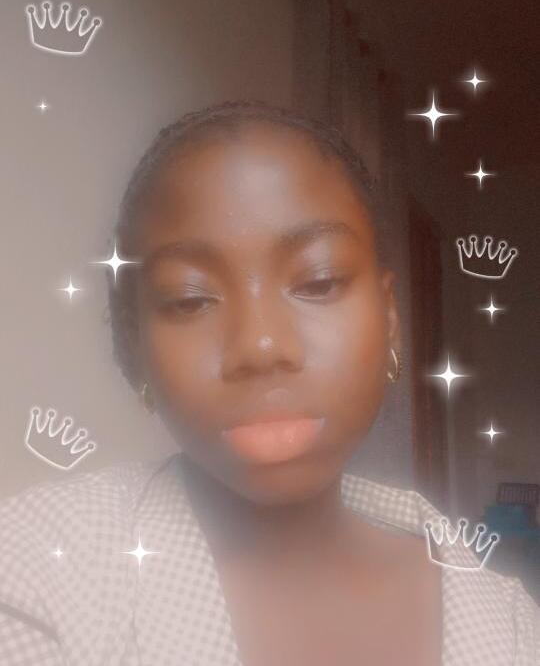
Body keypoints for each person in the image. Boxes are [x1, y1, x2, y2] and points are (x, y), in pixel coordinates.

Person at [0, 101, 538, 666]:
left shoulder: (508, 626)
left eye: (319, 281)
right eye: (190, 299)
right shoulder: (34, 577)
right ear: (137, 350)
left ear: (389, 316)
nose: (260, 346)